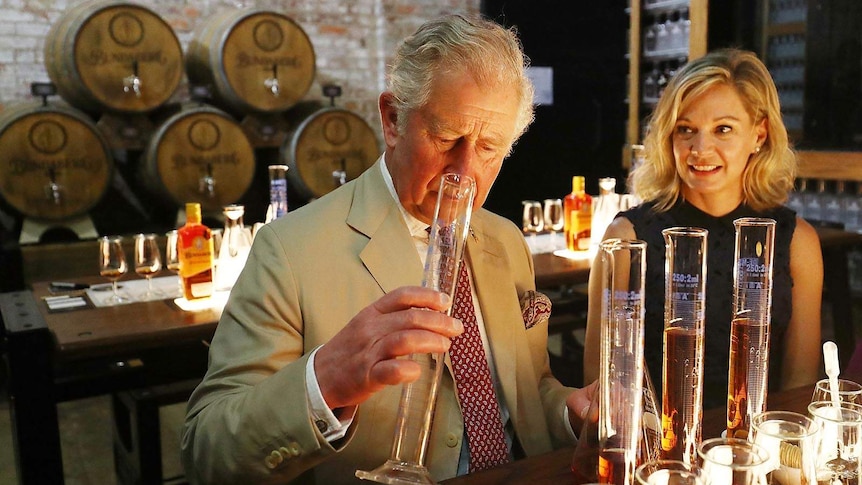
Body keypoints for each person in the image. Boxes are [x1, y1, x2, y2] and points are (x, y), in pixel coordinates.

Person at [181, 14, 596, 484]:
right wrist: (323, 384)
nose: (464, 171)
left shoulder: (505, 239)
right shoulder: (290, 249)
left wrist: (570, 412)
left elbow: (524, 392)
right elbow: (205, 449)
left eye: (488, 148)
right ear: (393, 119)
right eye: (445, 138)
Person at [583, 48, 823, 411]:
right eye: (686, 130)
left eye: (723, 129)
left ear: (759, 134)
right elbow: (598, 388)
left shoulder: (796, 242)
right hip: (655, 454)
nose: (701, 148)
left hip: (757, 452)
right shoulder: (626, 238)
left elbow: (798, 388)